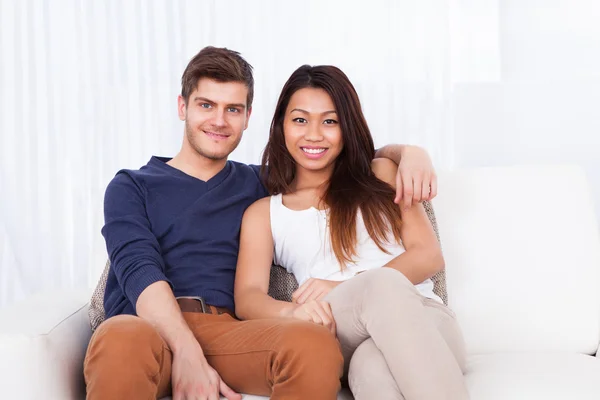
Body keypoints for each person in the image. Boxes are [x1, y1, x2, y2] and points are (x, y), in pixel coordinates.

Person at [84, 47, 439, 400]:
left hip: (228, 332)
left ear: (248, 116)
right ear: (183, 107)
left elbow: (335, 160)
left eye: (233, 109)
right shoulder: (132, 186)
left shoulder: (261, 185)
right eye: (206, 105)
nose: (219, 121)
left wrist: (408, 154)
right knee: (120, 338)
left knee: (313, 345)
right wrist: (186, 352)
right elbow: (139, 270)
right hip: (147, 328)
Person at [234, 65, 469, 400]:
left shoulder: (382, 173)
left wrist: (409, 153)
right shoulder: (265, 214)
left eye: (330, 121)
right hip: (337, 322)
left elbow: (428, 255)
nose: (314, 134)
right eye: (300, 120)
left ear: (347, 126)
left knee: (370, 368)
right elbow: (248, 297)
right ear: (281, 126)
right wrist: (293, 312)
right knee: (380, 285)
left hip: (427, 318)